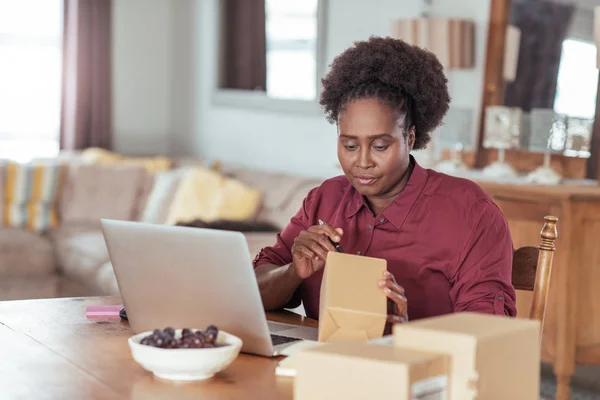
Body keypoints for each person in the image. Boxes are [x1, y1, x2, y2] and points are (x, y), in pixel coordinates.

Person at [253, 36, 516, 329]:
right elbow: (253, 290)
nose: (362, 161)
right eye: (350, 146)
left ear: (410, 138)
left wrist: (405, 332)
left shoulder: (469, 211)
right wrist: (293, 272)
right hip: (321, 363)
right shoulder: (325, 199)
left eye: (380, 146)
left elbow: (487, 331)